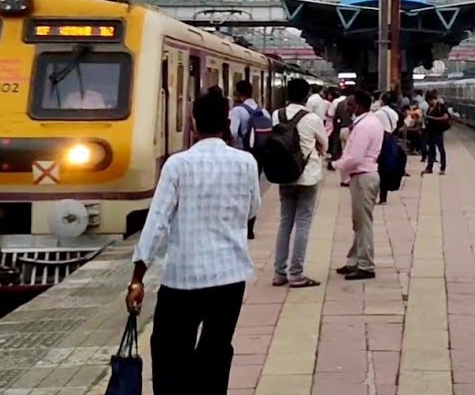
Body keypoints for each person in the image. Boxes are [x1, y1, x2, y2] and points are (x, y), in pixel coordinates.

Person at [125, 89, 262, 395]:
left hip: (183, 279)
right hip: (230, 276)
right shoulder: (246, 162)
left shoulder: (177, 165)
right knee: (216, 349)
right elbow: (253, 208)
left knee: (170, 351)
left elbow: (157, 222)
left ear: (193, 122)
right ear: (227, 122)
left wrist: (137, 278)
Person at [270, 78, 327, 288]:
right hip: (307, 176)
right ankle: (297, 274)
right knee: (303, 223)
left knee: (285, 222)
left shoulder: (277, 115)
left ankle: (279, 273)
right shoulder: (312, 118)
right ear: (306, 96)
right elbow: (324, 143)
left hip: (284, 173)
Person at [333, 89, 381, 280]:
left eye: (351, 105)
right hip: (364, 176)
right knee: (359, 222)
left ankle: (366, 265)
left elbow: (355, 157)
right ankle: (354, 260)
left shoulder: (363, 127)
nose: (348, 108)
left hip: (363, 177)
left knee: (363, 223)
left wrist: (336, 164)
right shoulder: (369, 122)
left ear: (359, 106)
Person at [231, 80, 273, 239]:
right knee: (253, 190)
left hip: (241, 154)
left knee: (239, 191)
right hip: (259, 156)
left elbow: (233, 133)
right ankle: (250, 226)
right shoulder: (264, 112)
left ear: (238, 93)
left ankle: (240, 223)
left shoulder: (237, 111)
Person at [374, 91, 401, 205]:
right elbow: (395, 126)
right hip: (391, 140)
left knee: (379, 168)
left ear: (382, 101)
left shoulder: (378, 113)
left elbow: (374, 127)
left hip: (380, 140)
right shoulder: (394, 113)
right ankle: (383, 197)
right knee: (386, 167)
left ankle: (376, 194)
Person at [423, 90, 451, 175]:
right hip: (430, 131)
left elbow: (445, 117)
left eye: (429, 102)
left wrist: (431, 118)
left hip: (438, 132)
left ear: (432, 100)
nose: (428, 104)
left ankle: (443, 168)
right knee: (431, 150)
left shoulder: (441, 107)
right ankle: (429, 167)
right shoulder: (429, 108)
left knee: (441, 149)